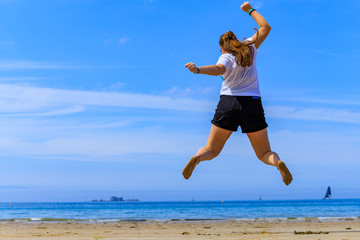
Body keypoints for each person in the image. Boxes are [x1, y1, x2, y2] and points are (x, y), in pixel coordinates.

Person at [182, 1, 293, 185]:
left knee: (212, 149)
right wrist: (249, 9)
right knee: (264, 153)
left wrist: (198, 69)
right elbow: (265, 27)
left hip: (228, 103)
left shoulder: (225, 56)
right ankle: (278, 163)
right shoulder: (250, 47)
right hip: (252, 103)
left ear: (223, 48)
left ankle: (197, 158)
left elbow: (218, 69)